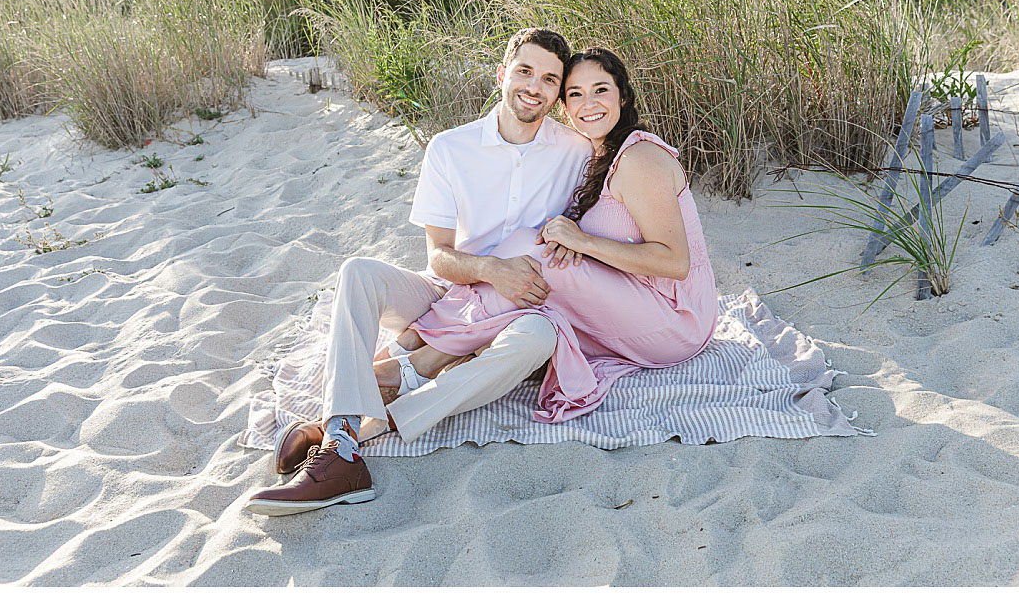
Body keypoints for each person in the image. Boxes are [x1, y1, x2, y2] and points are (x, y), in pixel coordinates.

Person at [244, 28, 592, 517]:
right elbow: (440, 257)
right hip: (447, 289)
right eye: (525, 71)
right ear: (502, 75)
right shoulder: (451, 149)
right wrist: (492, 269)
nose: (535, 86)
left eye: (549, 79)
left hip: (517, 311)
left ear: (558, 93)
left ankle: (357, 432)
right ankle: (343, 439)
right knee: (358, 272)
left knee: (539, 338)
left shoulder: (576, 153)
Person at [391, 47, 718, 425]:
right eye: (575, 94)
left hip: (675, 321)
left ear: (623, 96)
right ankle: (424, 351)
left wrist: (584, 242)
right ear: (563, 106)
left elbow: (675, 263)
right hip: (632, 298)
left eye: (601, 90)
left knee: (531, 253)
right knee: (528, 253)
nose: (588, 104)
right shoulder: (592, 156)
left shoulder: (639, 159)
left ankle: (420, 355)